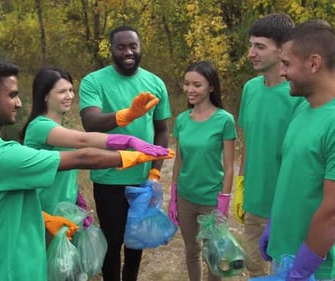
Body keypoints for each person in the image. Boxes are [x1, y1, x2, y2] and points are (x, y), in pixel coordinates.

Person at [0, 57, 173, 281]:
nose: (19, 103)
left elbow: (9, 205)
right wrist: (131, 154)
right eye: (12, 95)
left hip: (22, 265)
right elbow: (82, 153)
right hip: (7, 272)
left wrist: (44, 219)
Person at [259, 20, 335, 281]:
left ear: (313, 63)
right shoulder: (303, 108)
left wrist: (302, 269)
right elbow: (293, 177)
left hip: (317, 270)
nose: (281, 72)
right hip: (285, 255)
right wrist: (275, 225)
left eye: (287, 64)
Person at [20, 67, 169, 230]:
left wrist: (76, 199)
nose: (69, 96)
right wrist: (129, 141)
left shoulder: (56, 126)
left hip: (64, 208)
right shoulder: (40, 126)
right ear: (45, 95)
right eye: (62, 92)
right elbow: (84, 140)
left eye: (70, 90)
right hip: (44, 213)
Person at [78, 25, 171, 281]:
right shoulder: (93, 81)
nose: (128, 52)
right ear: (112, 49)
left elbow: (162, 130)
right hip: (109, 177)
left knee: (135, 243)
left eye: (133, 46)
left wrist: (154, 172)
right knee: (112, 242)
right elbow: (91, 121)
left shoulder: (155, 83)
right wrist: (125, 116)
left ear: (140, 48)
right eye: (121, 47)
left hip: (142, 180)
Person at [231, 13, 301, 277]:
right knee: (256, 270)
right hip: (254, 202)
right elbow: (249, 140)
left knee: (283, 272)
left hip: (285, 208)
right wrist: (241, 185)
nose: (251, 53)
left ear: (283, 49)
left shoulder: (298, 96)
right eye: (251, 45)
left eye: (260, 46)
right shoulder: (250, 88)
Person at [168, 61, 236, 281]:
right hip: (186, 197)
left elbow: (228, 167)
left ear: (211, 87)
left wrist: (223, 202)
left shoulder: (224, 120)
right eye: (187, 84)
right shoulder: (181, 120)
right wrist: (173, 195)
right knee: (191, 251)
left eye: (197, 85)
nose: (190, 90)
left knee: (214, 255)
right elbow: (179, 160)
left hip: (211, 200)